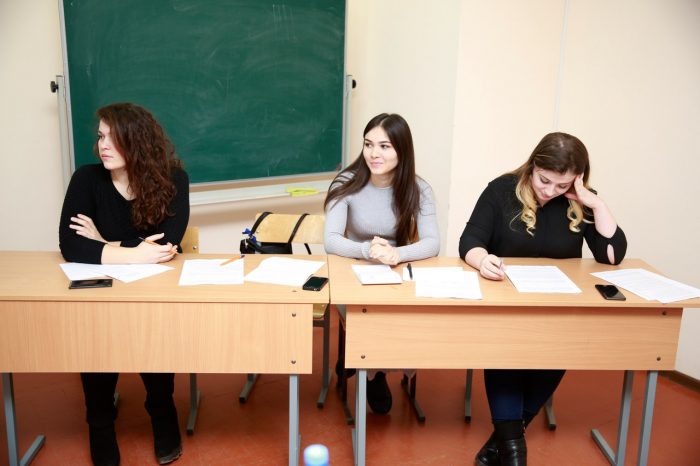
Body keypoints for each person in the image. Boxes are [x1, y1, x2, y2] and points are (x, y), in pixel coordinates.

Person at [459, 132, 627, 466]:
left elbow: (611, 255)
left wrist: (595, 203)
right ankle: (514, 450)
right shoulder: (501, 190)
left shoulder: (580, 200)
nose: (549, 191)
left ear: (577, 179)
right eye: (543, 180)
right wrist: (482, 259)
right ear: (532, 166)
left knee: (559, 349)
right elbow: (470, 241)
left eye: (561, 185)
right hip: (506, 306)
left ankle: (504, 440)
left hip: (557, 308)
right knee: (506, 352)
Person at [59, 103, 189, 466]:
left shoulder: (174, 179)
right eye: (100, 136)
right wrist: (134, 253)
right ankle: (100, 423)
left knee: (154, 329)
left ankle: (161, 409)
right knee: (96, 332)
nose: (102, 145)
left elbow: (166, 245)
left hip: (152, 290)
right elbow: (71, 245)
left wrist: (103, 243)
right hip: (101, 290)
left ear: (137, 141)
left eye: (113, 138)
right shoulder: (86, 179)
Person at [324, 113, 440, 414]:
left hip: (395, 270)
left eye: (385, 146)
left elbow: (432, 243)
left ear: (402, 150)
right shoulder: (346, 182)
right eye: (368, 144)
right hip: (354, 271)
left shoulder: (419, 189)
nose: (374, 153)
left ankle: (366, 362)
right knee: (368, 314)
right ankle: (372, 372)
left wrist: (397, 255)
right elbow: (332, 240)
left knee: (402, 316)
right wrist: (368, 251)